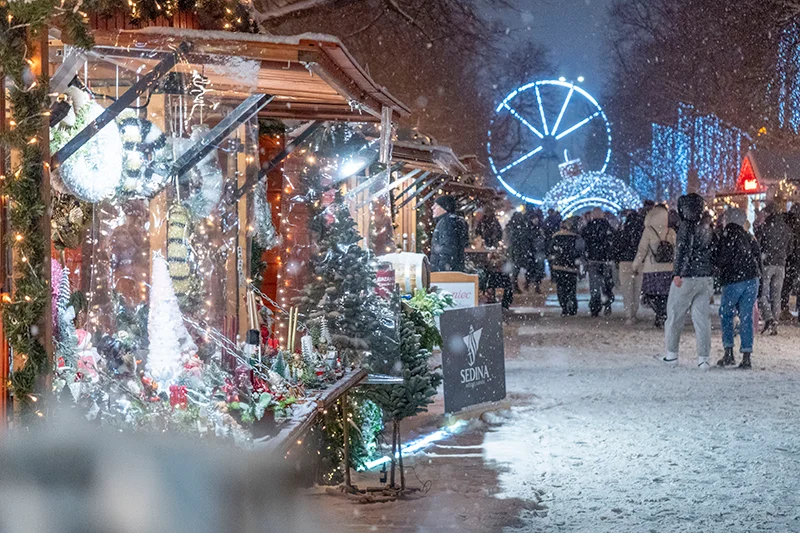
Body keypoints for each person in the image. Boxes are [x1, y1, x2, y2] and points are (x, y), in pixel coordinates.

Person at [664, 193, 715, 370]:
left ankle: (671, 354)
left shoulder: (686, 226)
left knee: (674, 315)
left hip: (687, 276)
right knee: (702, 320)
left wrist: (677, 273)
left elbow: (683, 250)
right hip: (705, 277)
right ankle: (703, 358)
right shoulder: (708, 226)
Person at [714, 208, 761, 369]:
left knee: (726, 314)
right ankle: (746, 356)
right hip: (752, 279)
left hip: (734, 280)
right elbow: (757, 257)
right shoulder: (749, 236)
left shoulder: (727, 235)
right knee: (746, 316)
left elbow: (722, 259)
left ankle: (729, 352)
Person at [632, 205, 675, 328]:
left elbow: (642, 251)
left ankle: (659, 314)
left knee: (652, 294)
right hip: (668, 268)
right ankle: (663, 314)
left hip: (652, 268)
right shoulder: (670, 231)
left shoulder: (649, 231)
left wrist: (635, 266)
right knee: (666, 295)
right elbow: (677, 250)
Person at [755, 203, 792, 335]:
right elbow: (790, 248)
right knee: (776, 295)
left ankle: (769, 318)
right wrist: (782, 256)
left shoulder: (765, 226)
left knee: (763, 293)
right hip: (781, 264)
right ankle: (774, 323)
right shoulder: (786, 228)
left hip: (767, 264)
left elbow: (758, 241)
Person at [582, 208, 616, 317]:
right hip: (606, 260)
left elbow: (584, 243)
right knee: (607, 284)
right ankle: (607, 303)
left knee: (595, 285)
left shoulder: (588, 228)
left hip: (593, 260)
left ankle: (595, 307)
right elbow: (613, 241)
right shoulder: (608, 227)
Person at [548, 217, 584, 316]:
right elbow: (580, 251)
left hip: (559, 266)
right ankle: (572, 307)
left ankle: (564, 306)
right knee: (571, 288)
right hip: (571, 267)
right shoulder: (575, 237)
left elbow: (551, 250)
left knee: (561, 287)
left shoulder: (556, 237)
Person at [614, 210, 645, 324]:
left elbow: (616, 248)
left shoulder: (622, 232)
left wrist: (617, 259)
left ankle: (628, 315)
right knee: (637, 290)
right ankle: (634, 313)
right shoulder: (642, 233)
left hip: (624, 262)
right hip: (639, 262)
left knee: (626, 290)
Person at [430, 195, 469, 272]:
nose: (432, 208)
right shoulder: (450, 221)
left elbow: (447, 249)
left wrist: (442, 270)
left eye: (436, 205)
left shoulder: (446, 223)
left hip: (445, 274)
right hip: (452, 271)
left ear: (445, 208)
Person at [780, 204, 800, 322]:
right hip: (793, 259)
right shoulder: (795, 227)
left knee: (785, 285)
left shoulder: (786, 225)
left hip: (787, 260)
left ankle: (783, 308)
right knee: (790, 284)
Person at [526, 209, 547, 293]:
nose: (536, 220)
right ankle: (529, 283)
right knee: (531, 269)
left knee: (539, 268)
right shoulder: (530, 229)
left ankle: (536, 285)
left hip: (538, 251)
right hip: (532, 251)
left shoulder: (540, 228)